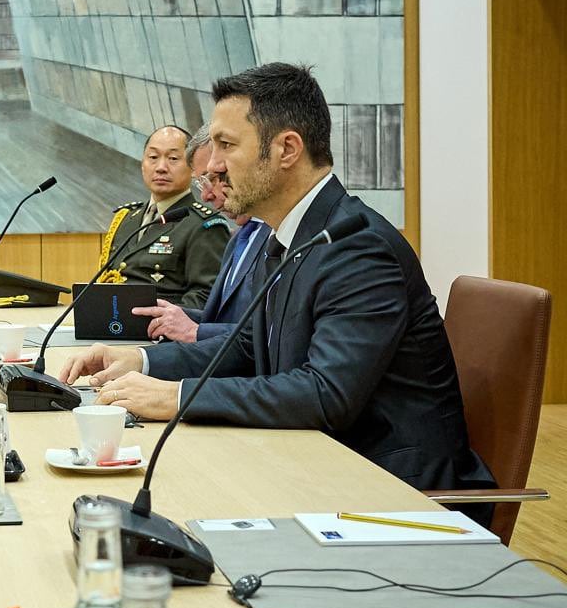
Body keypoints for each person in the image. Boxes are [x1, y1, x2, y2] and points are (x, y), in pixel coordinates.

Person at [58, 63, 491, 494]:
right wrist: (144, 362)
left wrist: (175, 397)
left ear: (287, 149)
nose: (215, 166)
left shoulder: (357, 246)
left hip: (390, 490)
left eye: (227, 145)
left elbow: (325, 393)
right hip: (315, 463)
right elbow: (250, 347)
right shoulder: (286, 234)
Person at [134, 126, 271, 343]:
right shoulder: (241, 237)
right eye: (202, 183)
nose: (206, 196)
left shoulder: (278, 236)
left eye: (214, 178)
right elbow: (219, 320)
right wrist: (171, 319)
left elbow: (265, 338)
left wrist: (148, 361)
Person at [94, 124, 231, 308]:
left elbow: (206, 295)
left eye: (173, 158)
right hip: (115, 325)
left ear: (192, 168)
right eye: (153, 157)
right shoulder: (125, 218)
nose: (161, 167)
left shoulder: (204, 224)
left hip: (161, 333)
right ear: (142, 164)